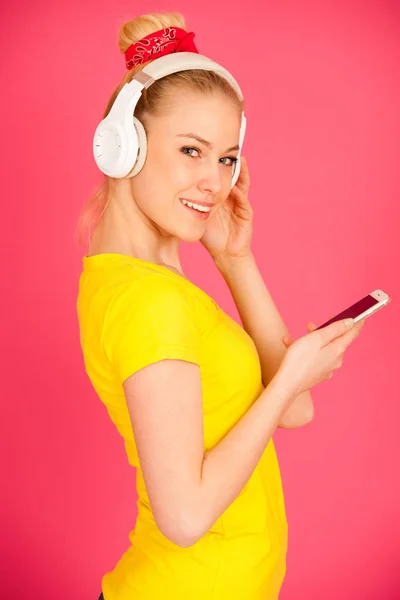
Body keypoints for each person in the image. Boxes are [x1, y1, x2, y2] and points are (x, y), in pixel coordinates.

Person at [76, 12, 365, 600]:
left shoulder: (152, 281)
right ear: (123, 146)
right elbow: (184, 518)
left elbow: (294, 411)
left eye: (227, 158)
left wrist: (235, 260)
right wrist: (289, 381)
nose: (215, 181)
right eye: (191, 150)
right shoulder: (147, 301)